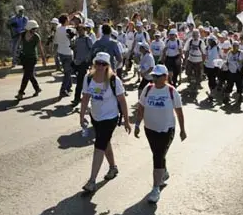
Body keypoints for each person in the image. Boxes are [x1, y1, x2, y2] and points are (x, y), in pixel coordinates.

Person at [79, 52, 131, 193]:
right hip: (95, 116)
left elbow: (122, 101)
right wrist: (81, 115)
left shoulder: (114, 80)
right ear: (94, 64)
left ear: (108, 66)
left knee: (99, 145)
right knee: (105, 142)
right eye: (98, 63)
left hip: (110, 118)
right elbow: (85, 98)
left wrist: (126, 121)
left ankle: (91, 181)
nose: (100, 66)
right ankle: (113, 167)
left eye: (104, 64)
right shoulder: (88, 78)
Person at [134, 65, 186, 203]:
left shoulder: (171, 91)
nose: (155, 79)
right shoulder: (148, 89)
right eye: (154, 76)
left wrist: (182, 130)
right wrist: (137, 125)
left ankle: (155, 188)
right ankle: (163, 172)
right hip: (150, 129)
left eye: (157, 76)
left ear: (165, 77)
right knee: (157, 153)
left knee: (158, 156)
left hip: (166, 130)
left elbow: (179, 112)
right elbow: (141, 108)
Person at [15, 20, 47, 100]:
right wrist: (16, 53)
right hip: (24, 58)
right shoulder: (22, 35)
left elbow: (40, 48)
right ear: (29, 28)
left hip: (32, 58)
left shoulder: (36, 37)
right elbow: (18, 44)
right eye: (34, 28)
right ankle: (37, 89)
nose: (35, 30)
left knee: (26, 75)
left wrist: (43, 59)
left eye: (35, 29)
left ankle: (20, 92)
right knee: (30, 75)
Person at [71, 24, 93, 105]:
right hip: (77, 63)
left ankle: (77, 99)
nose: (80, 31)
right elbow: (76, 51)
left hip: (84, 63)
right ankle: (80, 97)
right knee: (81, 81)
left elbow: (92, 50)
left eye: (81, 30)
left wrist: (88, 59)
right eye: (79, 30)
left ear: (85, 30)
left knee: (80, 81)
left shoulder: (88, 39)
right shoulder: (76, 39)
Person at [54, 14, 74, 98]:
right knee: (67, 72)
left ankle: (69, 86)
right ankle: (63, 90)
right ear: (65, 21)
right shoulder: (68, 30)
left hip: (60, 52)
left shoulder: (57, 29)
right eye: (68, 19)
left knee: (67, 70)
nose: (69, 20)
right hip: (68, 52)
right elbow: (72, 38)